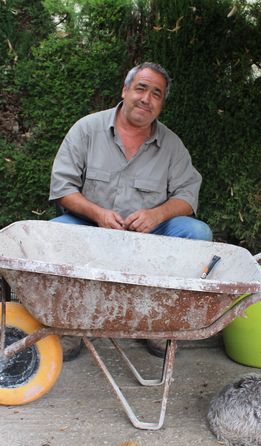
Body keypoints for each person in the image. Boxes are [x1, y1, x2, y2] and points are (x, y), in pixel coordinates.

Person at [49, 62, 212, 359]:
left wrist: (157, 214)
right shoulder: (86, 129)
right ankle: (69, 322)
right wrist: (97, 213)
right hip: (92, 228)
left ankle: (160, 323)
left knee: (197, 232)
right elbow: (62, 188)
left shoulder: (172, 146)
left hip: (148, 235)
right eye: (141, 88)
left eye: (156, 94)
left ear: (161, 104)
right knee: (55, 232)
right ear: (125, 91)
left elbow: (188, 196)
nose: (146, 99)